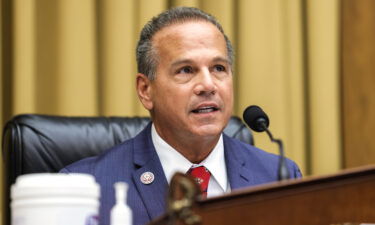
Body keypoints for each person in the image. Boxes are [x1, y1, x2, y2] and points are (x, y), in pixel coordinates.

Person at [61, 6, 301, 225]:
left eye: (219, 68)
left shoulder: (278, 176)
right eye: (186, 70)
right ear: (146, 90)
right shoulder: (85, 187)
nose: (208, 85)